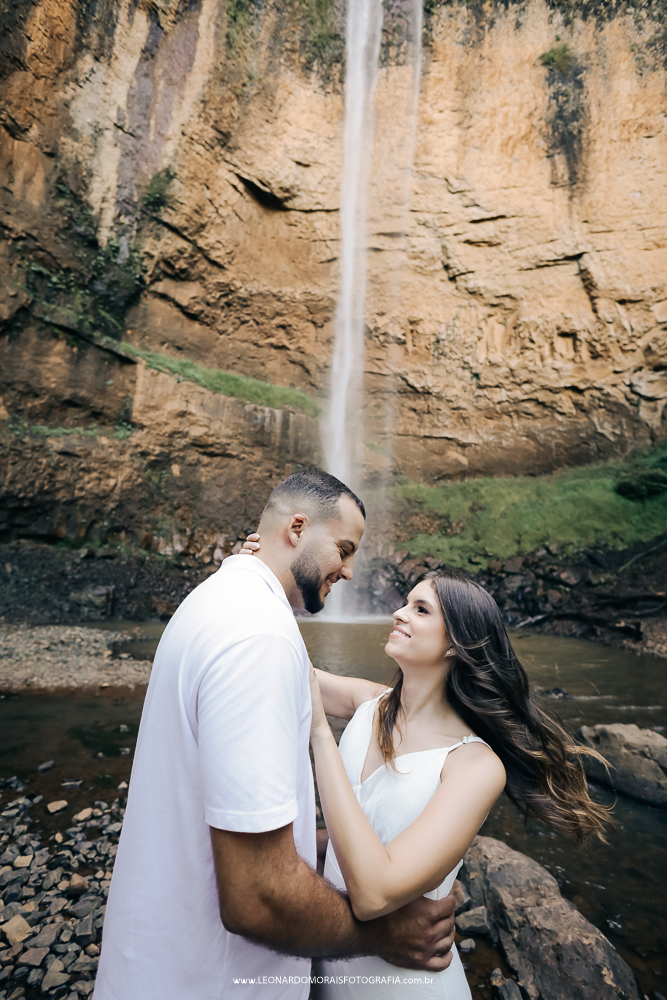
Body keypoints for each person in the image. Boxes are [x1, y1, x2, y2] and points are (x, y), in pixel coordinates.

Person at [93, 468, 457, 1000]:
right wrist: (386, 934)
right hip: (206, 982)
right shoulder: (259, 638)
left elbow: (348, 698)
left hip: (159, 962)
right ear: (298, 528)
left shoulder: (220, 601)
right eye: (344, 548)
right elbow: (257, 897)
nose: (352, 571)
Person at [242, 534, 611, 999]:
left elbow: (374, 892)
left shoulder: (475, 765)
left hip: (408, 986)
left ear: (457, 644)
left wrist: (320, 734)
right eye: (406, 603)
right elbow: (267, 660)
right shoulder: (368, 703)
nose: (398, 613)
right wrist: (254, 573)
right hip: (330, 970)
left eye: (421, 610)